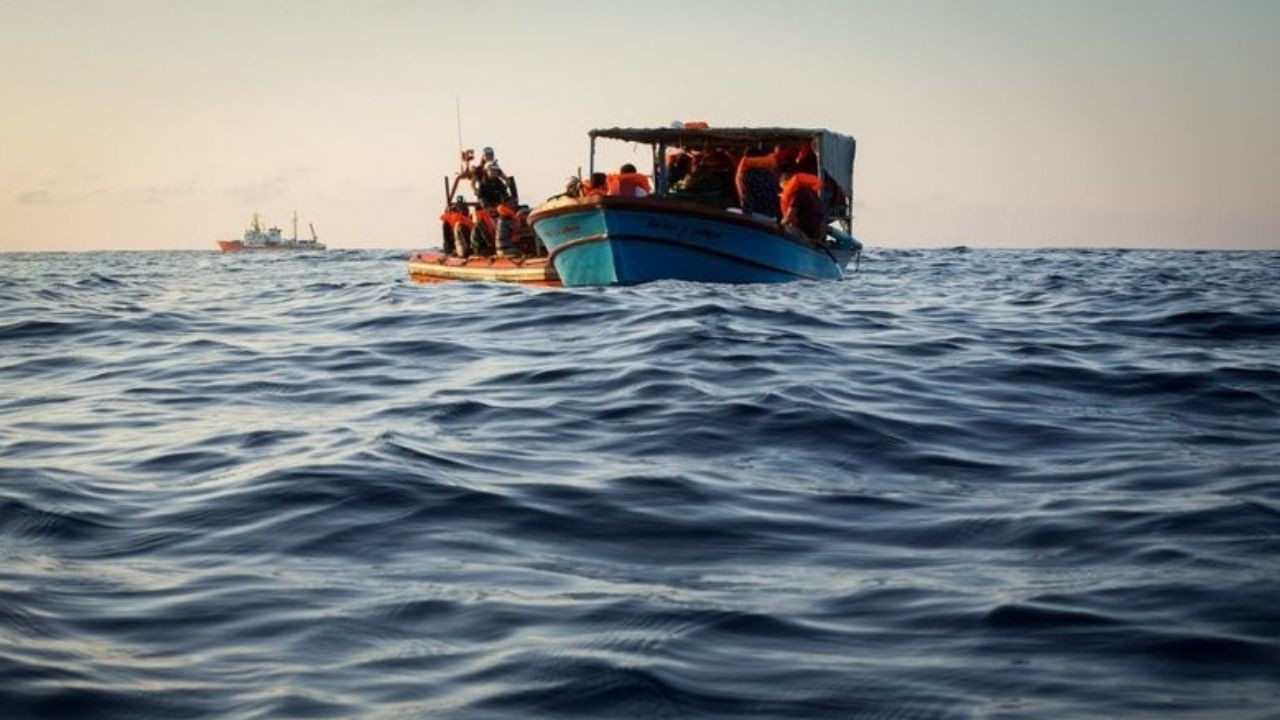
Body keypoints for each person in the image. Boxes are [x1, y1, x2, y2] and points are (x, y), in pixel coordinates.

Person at [778, 170, 825, 241]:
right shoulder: (811, 192)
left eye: (784, 188)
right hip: (819, 231)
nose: (784, 191)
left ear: (788, 183)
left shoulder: (797, 195)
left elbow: (789, 217)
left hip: (807, 233)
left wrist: (778, 226)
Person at [735, 144, 780, 218]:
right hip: (772, 214)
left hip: (757, 216)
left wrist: (746, 218)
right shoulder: (768, 173)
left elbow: (747, 199)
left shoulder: (745, 175)